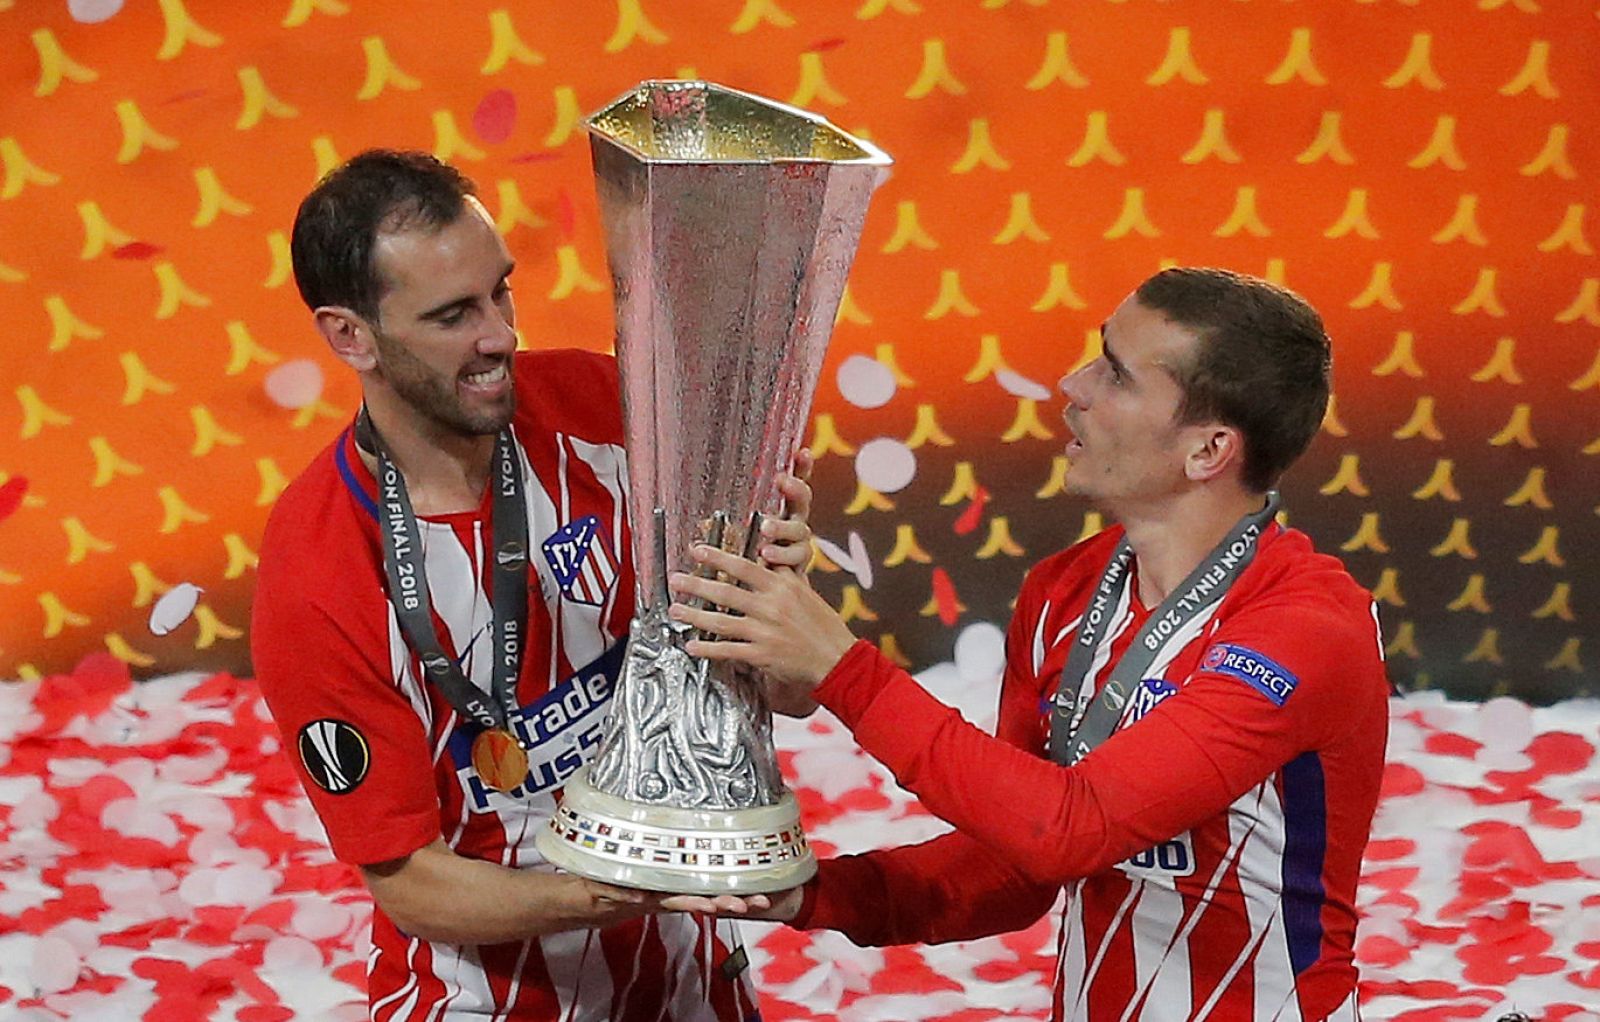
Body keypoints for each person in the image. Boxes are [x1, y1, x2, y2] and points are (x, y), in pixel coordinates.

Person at [669, 268, 1390, 1021]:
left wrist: (843, 670)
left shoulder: (1306, 628)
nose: (1071, 384)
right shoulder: (1062, 593)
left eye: (1115, 373)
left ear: (1208, 451)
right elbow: (1015, 865)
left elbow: (1069, 831)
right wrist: (810, 891)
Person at [251, 149, 813, 1021]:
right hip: (485, 998)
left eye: (500, 293)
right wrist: (624, 887)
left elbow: (780, 692)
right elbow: (411, 885)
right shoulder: (317, 569)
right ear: (350, 336)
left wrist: (771, 601)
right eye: (453, 315)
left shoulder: (607, 409)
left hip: (690, 975)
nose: (500, 336)